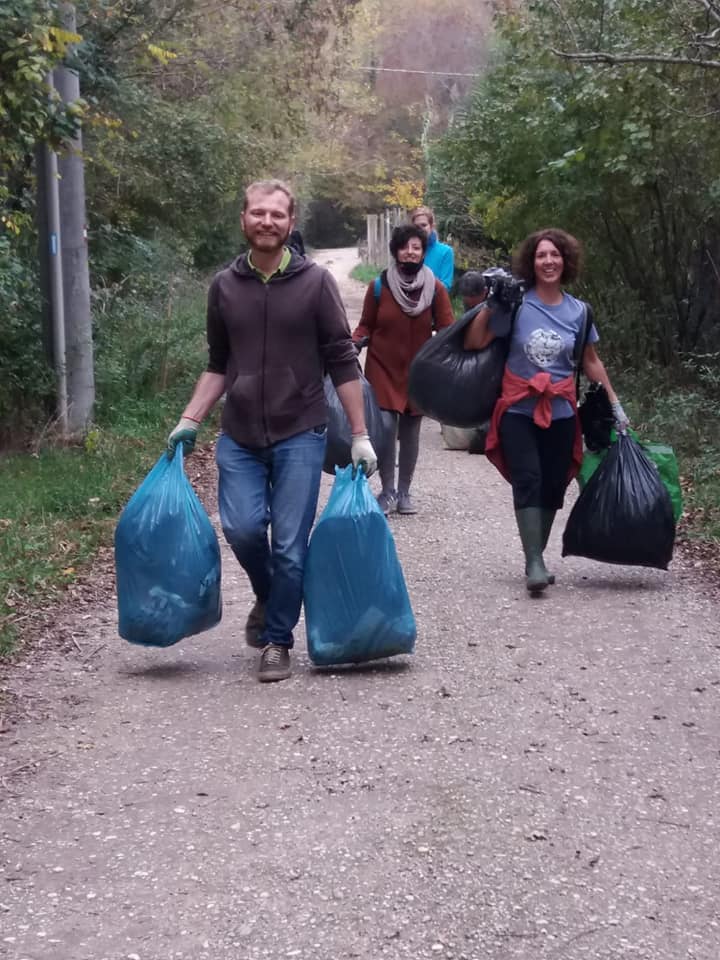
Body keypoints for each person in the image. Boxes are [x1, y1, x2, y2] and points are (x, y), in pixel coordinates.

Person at [166, 179, 377, 682]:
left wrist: (361, 432)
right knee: (240, 528)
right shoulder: (224, 286)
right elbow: (218, 363)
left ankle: (277, 639)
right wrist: (189, 418)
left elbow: (342, 360)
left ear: (290, 223)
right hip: (238, 434)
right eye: (258, 213)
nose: (266, 222)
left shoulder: (315, 283)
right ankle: (271, 593)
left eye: (276, 215)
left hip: (300, 431)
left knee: (289, 544)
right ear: (243, 220)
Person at [463, 227, 628, 594]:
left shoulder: (579, 312)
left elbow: (591, 361)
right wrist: (491, 305)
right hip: (517, 409)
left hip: (562, 411)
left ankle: (535, 553)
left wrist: (616, 404)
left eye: (554, 255)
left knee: (554, 483)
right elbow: (476, 341)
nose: (548, 261)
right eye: (541, 255)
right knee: (529, 478)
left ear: (565, 261)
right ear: (531, 263)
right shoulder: (517, 304)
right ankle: (534, 562)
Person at [353, 223, 454, 516]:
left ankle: (405, 492)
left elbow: (448, 329)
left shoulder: (435, 289)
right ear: (396, 250)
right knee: (385, 430)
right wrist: (354, 342)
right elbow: (365, 325)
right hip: (382, 367)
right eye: (405, 247)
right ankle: (387, 491)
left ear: (423, 252)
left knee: (411, 432)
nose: (410, 253)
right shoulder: (378, 287)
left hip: (418, 372)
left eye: (417, 247)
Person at [440, 270, 490, 452]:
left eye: (473, 298)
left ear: (484, 293)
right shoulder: (470, 309)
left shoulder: (492, 310)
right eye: (466, 298)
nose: (468, 302)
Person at [409, 205, 455, 291]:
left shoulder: (445, 252)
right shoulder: (407, 251)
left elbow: (445, 286)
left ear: (431, 226)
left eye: (423, 225)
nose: (420, 229)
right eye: (416, 226)